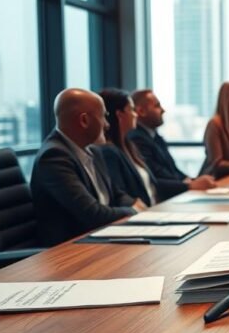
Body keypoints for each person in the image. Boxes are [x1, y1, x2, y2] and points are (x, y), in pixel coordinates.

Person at [30, 88, 144, 246]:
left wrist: (133, 203)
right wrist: (134, 210)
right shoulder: (54, 157)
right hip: (69, 252)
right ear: (84, 121)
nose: (107, 125)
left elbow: (115, 194)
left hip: (99, 238)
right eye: (104, 117)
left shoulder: (94, 150)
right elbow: (93, 215)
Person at [96, 89, 193, 206]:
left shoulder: (130, 146)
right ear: (119, 115)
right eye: (131, 110)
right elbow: (119, 194)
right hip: (141, 214)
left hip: (152, 210)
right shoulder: (110, 151)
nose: (135, 114)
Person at [127, 89, 217, 190]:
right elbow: (155, 177)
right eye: (157, 106)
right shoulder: (136, 139)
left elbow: (172, 170)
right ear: (141, 111)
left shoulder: (155, 136)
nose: (163, 110)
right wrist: (189, 185)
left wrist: (191, 180)